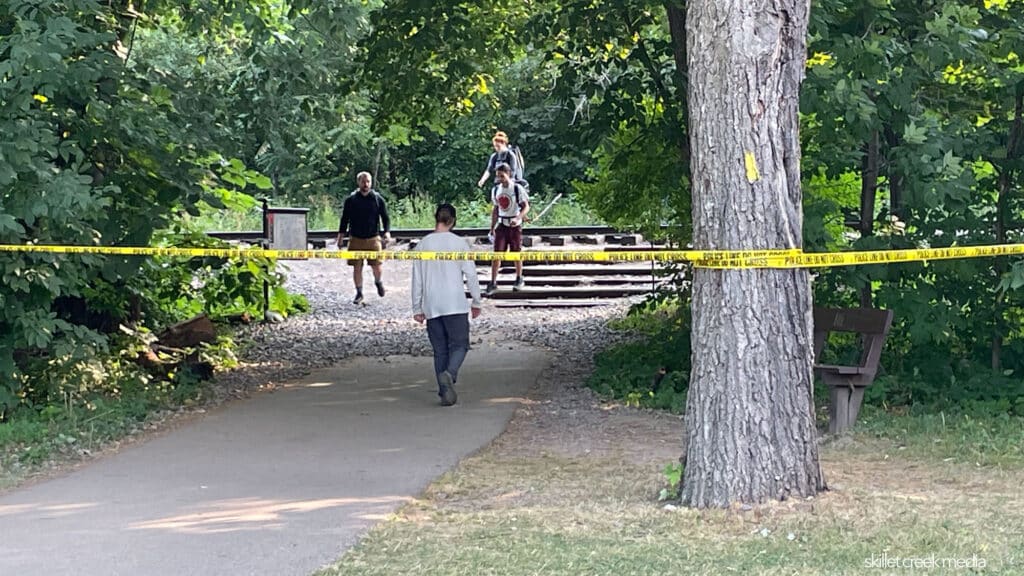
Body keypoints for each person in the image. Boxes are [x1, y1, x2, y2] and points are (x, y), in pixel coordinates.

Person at [412, 203, 483, 407]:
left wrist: (417, 307)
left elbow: (417, 280)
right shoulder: (459, 244)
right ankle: (450, 375)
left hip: (432, 304)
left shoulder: (422, 245)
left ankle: (445, 393)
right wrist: (476, 301)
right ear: (452, 221)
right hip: (455, 303)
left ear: (436, 218)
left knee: (440, 350)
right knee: (460, 344)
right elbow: (471, 275)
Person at [336, 171, 391, 305]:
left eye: (368, 182)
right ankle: (359, 293)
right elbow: (345, 219)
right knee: (357, 267)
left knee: (377, 266)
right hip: (355, 239)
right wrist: (341, 235)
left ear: (371, 183)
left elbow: (385, 217)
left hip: (373, 238)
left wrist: (387, 232)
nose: (365, 184)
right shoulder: (351, 200)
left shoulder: (378, 199)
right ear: (358, 183)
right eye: (363, 182)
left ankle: (378, 282)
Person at [487, 163, 530, 295]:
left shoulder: (516, 188)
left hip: (514, 226)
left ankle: (519, 278)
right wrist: (492, 227)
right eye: (498, 176)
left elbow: (526, 206)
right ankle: (493, 282)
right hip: (502, 224)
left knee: (516, 253)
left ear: (509, 174)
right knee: (497, 254)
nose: (500, 178)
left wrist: (518, 218)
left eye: (502, 175)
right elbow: (496, 209)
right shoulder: (496, 190)